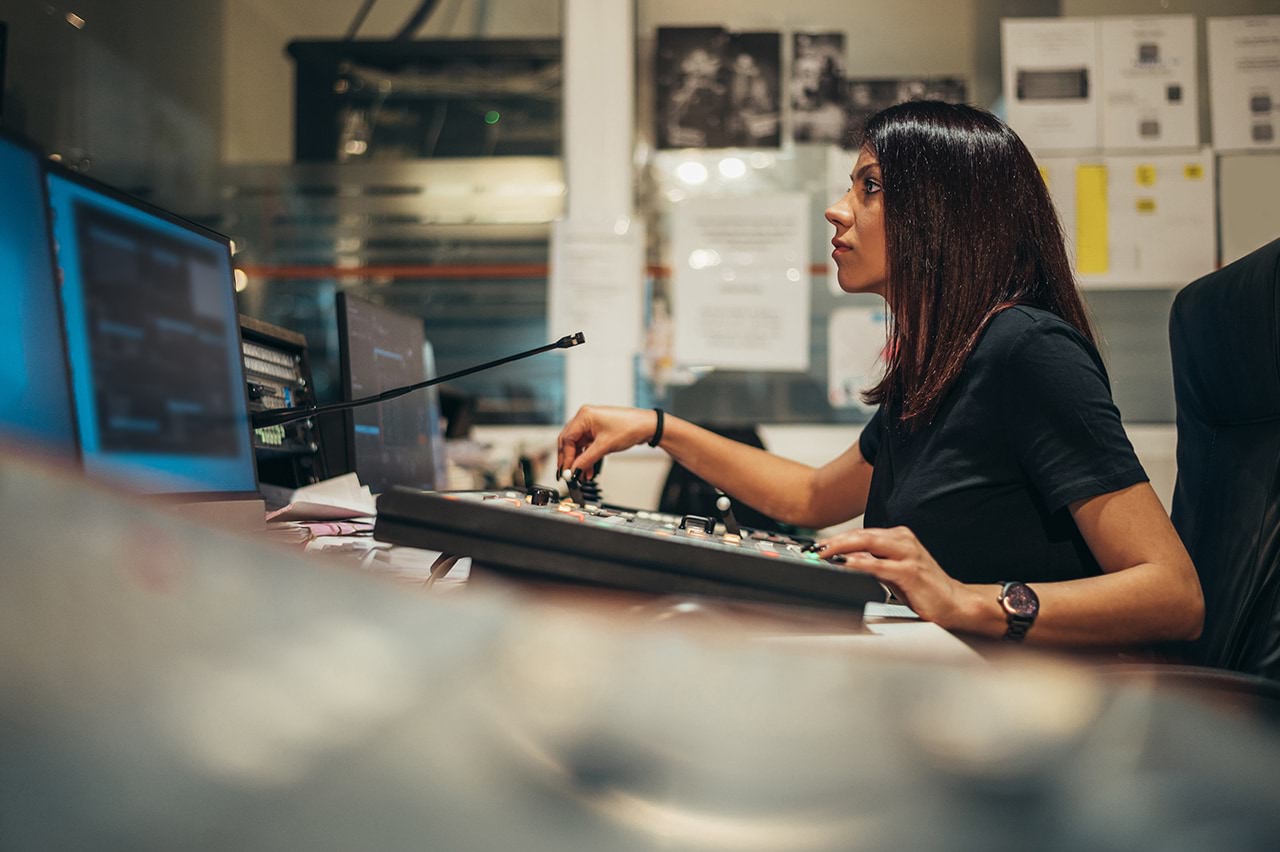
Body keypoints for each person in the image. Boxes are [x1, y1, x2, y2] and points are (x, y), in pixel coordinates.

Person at [557, 101, 1203, 649]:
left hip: (1035, 716)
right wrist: (657, 426)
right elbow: (809, 498)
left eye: (869, 187)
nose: (838, 211)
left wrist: (966, 601)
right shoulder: (935, 370)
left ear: (942, 215)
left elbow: (1174, 593)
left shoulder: (1027, 351)